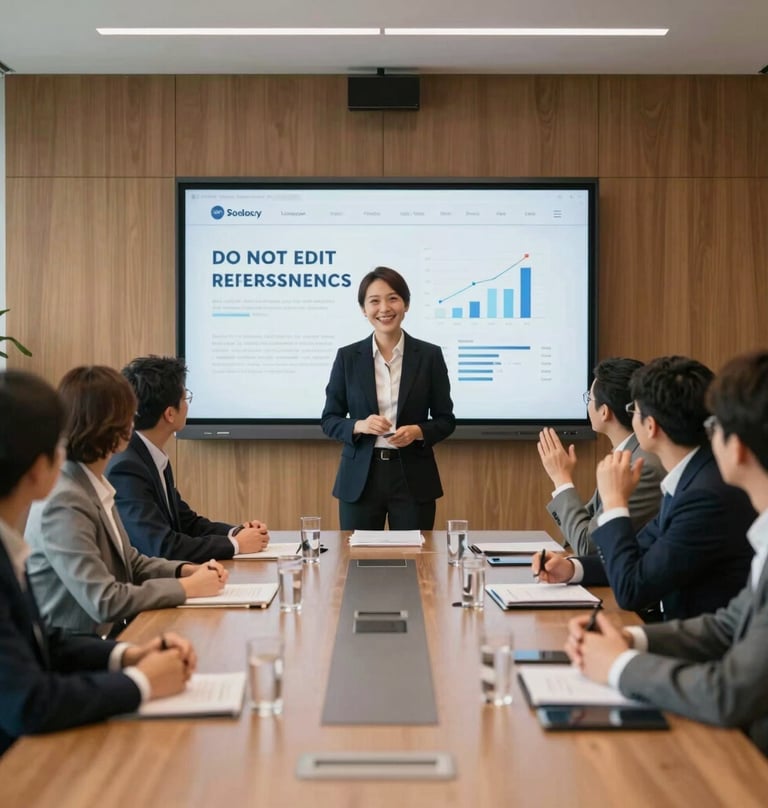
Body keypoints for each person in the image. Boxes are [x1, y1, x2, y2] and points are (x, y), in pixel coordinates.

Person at [566, 350, 768, 756]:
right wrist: (631, 638)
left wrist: (619, 665)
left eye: (717, 425)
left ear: (740, 447)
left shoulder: (709, 493)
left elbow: (728, 694)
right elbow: (729, 624)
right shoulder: (702, 487)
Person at [0, 369, 196, 756]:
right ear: (40, 467)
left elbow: (43, 642)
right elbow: (29, 702)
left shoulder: (9, 544)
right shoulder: (63, 499)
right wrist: (141, 682)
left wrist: (127, 655)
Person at [534, 356, 754, 621]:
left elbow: (632, 588)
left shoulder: (704, 494)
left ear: (651, 426)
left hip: (699, 644)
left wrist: (616, 501)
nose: (630, 417)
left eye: (634, 410)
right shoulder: (691, 478)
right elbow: (638, 556)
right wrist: (572, 568)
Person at [25, 366, 228, 637]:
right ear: (116, 427)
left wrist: (189, 570)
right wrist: (187, 588)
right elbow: (105, 600)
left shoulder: (91, 484)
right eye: (128, 416)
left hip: (102, 641)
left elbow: (130, 562)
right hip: (74, 656)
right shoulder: (64, 501)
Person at [321, 266, 455, 530]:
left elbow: (445, 420)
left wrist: (418, 431)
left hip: (413, 478)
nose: (384, 308)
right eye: (374, 301)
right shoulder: (348, 357)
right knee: (357, 561)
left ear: (406, 304)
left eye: (393, 298)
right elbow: (329, 419)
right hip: (360, 478)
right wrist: (360, 425)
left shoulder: (429, 356)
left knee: (415, 560)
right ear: (363, 309)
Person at [106, 356, 269, 562]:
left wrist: (236, 532)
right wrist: (236, 545)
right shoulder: (127, 467)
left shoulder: (151, 456)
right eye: (185, 399)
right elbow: (161, 546)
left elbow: (186, 523)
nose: (187, 405)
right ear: (170, 414)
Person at [539, 357, 663, 555]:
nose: (587, 404)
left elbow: (588, 546)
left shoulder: (640, 466)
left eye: (589, 398)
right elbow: (586, 526)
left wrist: (561, 479)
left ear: (604, 412)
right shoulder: (627, 453)